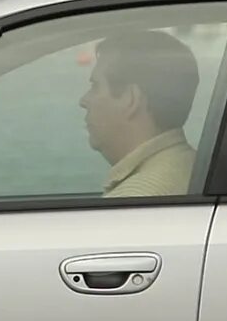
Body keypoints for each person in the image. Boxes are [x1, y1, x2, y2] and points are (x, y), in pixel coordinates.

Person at [79, 29, 200, 198]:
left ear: (131, 99)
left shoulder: (129, 203)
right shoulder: (194, 169)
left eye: (96, 87)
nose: (83, 101)